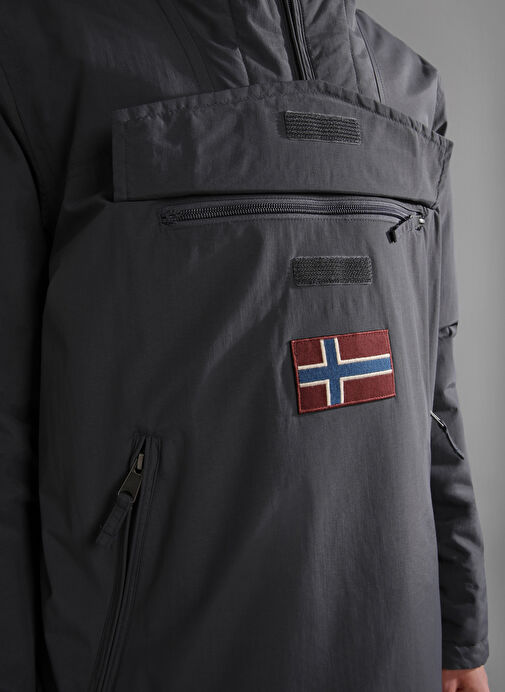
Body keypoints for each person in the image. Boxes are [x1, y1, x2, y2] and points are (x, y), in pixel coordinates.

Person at [0, 1, 490, 690]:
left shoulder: (410, 85)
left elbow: (434, 387)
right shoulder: (40, 55)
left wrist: (461, 628)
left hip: (396, 639)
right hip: (165, 653)